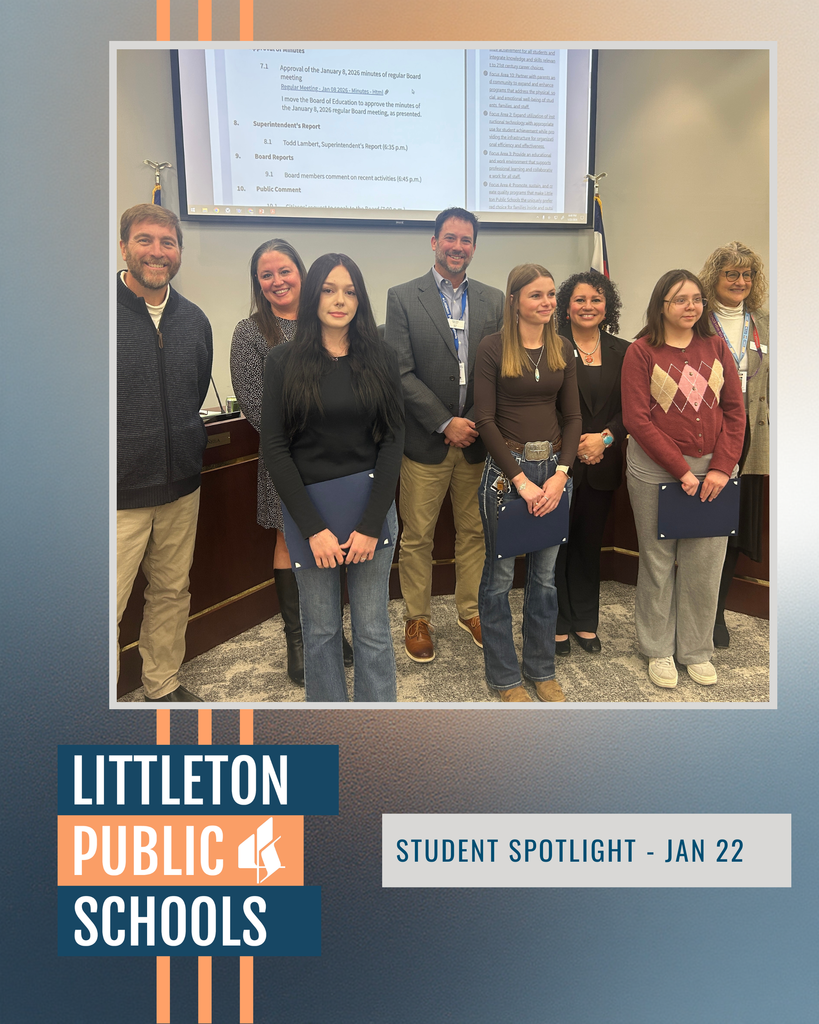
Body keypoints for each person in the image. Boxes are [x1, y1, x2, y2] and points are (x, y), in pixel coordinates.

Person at [261, 254, 404, 702]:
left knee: (373, 630)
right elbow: (276, 449)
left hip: (372, 515)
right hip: (311, 519)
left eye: (349, 291)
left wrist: (368, 526)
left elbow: (392, 444)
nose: (339, 300)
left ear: (360, 298)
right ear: (313, 296)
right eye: (328, 289)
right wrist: (313, 529)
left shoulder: (382, 356)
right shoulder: (282, 362)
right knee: (321, 632)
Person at [230, 239, 353, 687]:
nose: (278, 281)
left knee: (334, 539)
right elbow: (255, 405)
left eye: (285, 271)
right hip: (284, 460)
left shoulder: (327, 321)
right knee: (291, 541)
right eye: (267, 275)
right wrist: (306, 442)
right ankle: (298, 642)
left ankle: (332, 632)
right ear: (258, 284)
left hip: (337, 462)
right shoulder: (250, 333)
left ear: (303, 274)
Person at [385, 208, 504, 664]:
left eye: (467, 240)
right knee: (417, 536)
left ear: (474, 247)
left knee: (474, 531)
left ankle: (469, 610)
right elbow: (399, 371)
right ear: (434, 242)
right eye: (450, 238)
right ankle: (417, 616)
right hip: (425, 441)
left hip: (476, 439)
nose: (458, 247)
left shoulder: (494, 301)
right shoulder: (402, 297)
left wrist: (471, 421)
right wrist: (444, 422)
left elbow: (497, 371)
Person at [621, 270, 746, 690]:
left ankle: (695, 650)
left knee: (705, 565)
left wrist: (721, 468)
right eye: (680, 300)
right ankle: (657, 649)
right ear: (661, 306)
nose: (691, 307)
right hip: (657, 471)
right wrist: (680, 470)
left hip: (713, 473)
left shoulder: (716, 347)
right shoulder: (641, 352)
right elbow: (636, 419)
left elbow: (734, 412)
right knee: (658, 563)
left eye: (696, 299)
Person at [116, 204, 212, 702]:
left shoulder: (194, 319)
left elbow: (192, 394)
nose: (157, 251)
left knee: (172, 594)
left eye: (167, 243)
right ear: (124, 246)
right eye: (145, 240)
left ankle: (161, 685)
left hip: (180, 486)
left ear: (178, 252)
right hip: (115, 495)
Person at [474, 264, 582, 702]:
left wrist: (560, 475)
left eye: (552, 294)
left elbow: (573, 418)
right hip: (508, 473)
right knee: (499, 579)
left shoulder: (562, 347)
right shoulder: (492, 347)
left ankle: (541, 670)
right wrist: (520, 480)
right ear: (515, 299)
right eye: (536, 295)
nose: (547, 302)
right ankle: (504, 677)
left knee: (546, 579)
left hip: (554, 470)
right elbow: (483, 419)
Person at [553, 271, 630, 656]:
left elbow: (632, 408)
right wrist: (575, 444)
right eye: (580, 299)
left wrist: (605, 439)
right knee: (556, 546)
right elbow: (542, 405)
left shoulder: (625, 351)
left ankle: (585, 621)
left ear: (607, 306)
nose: (588, 306)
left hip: (603, 461)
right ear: (566, 306)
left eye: (596, 299)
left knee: (588, 545)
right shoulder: (550, 347)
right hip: (558, 465)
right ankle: (557, 623)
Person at [698, 242, 770, 648]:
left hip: (752, 438)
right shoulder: (700, 321)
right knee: (705, 529)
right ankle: (698, 609)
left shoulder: (764, 323)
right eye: (731, 274)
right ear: (715, 278)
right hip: (710, 435)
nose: (740, 282)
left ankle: (717, 612)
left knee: (734, 531)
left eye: (747, 275)